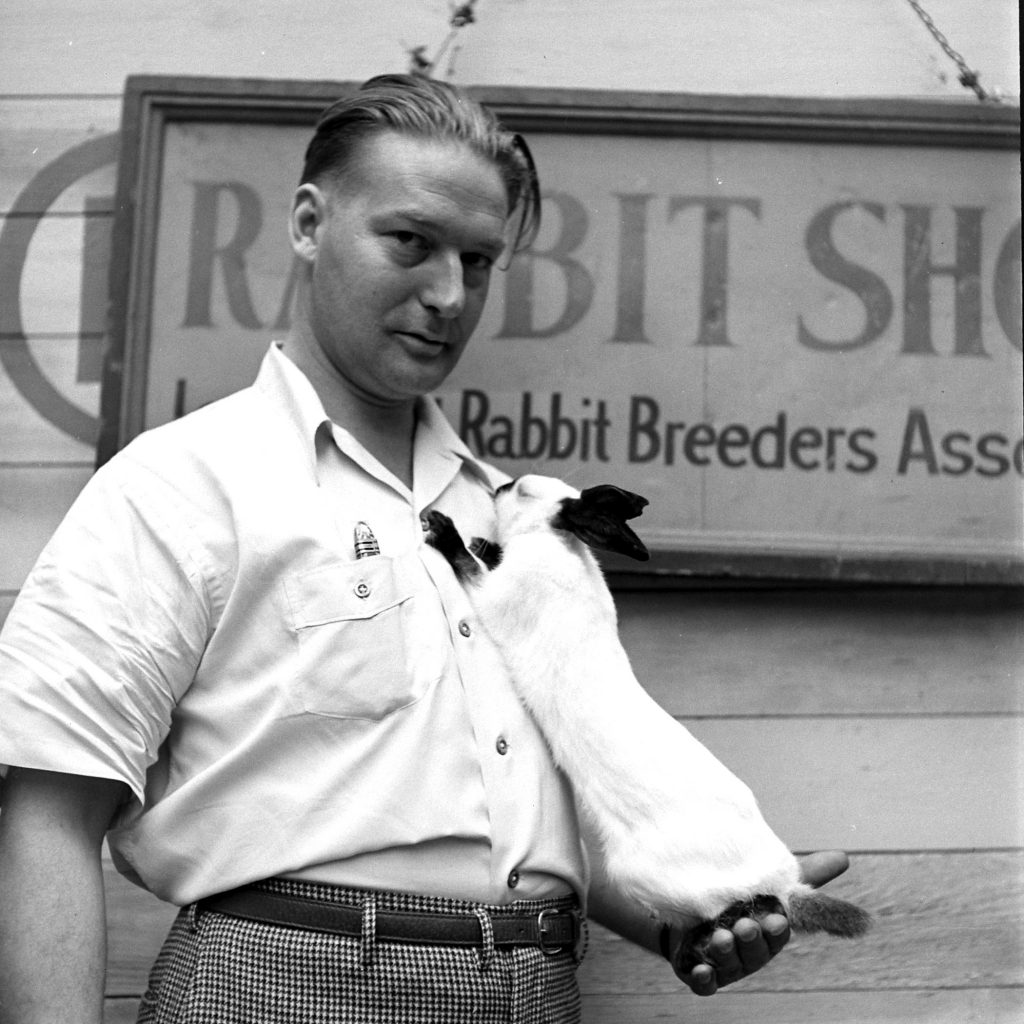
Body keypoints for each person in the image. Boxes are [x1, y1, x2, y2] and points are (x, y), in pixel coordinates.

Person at [0, 74, 849, 1023]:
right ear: (310, 224)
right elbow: (46, 814)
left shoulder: (512, 523)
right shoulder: (181, 485)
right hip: (283, 990)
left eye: (479, 261)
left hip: (535, 990)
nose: (448, 294)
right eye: (410, 241)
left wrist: (679, 915)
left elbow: (534, 807)